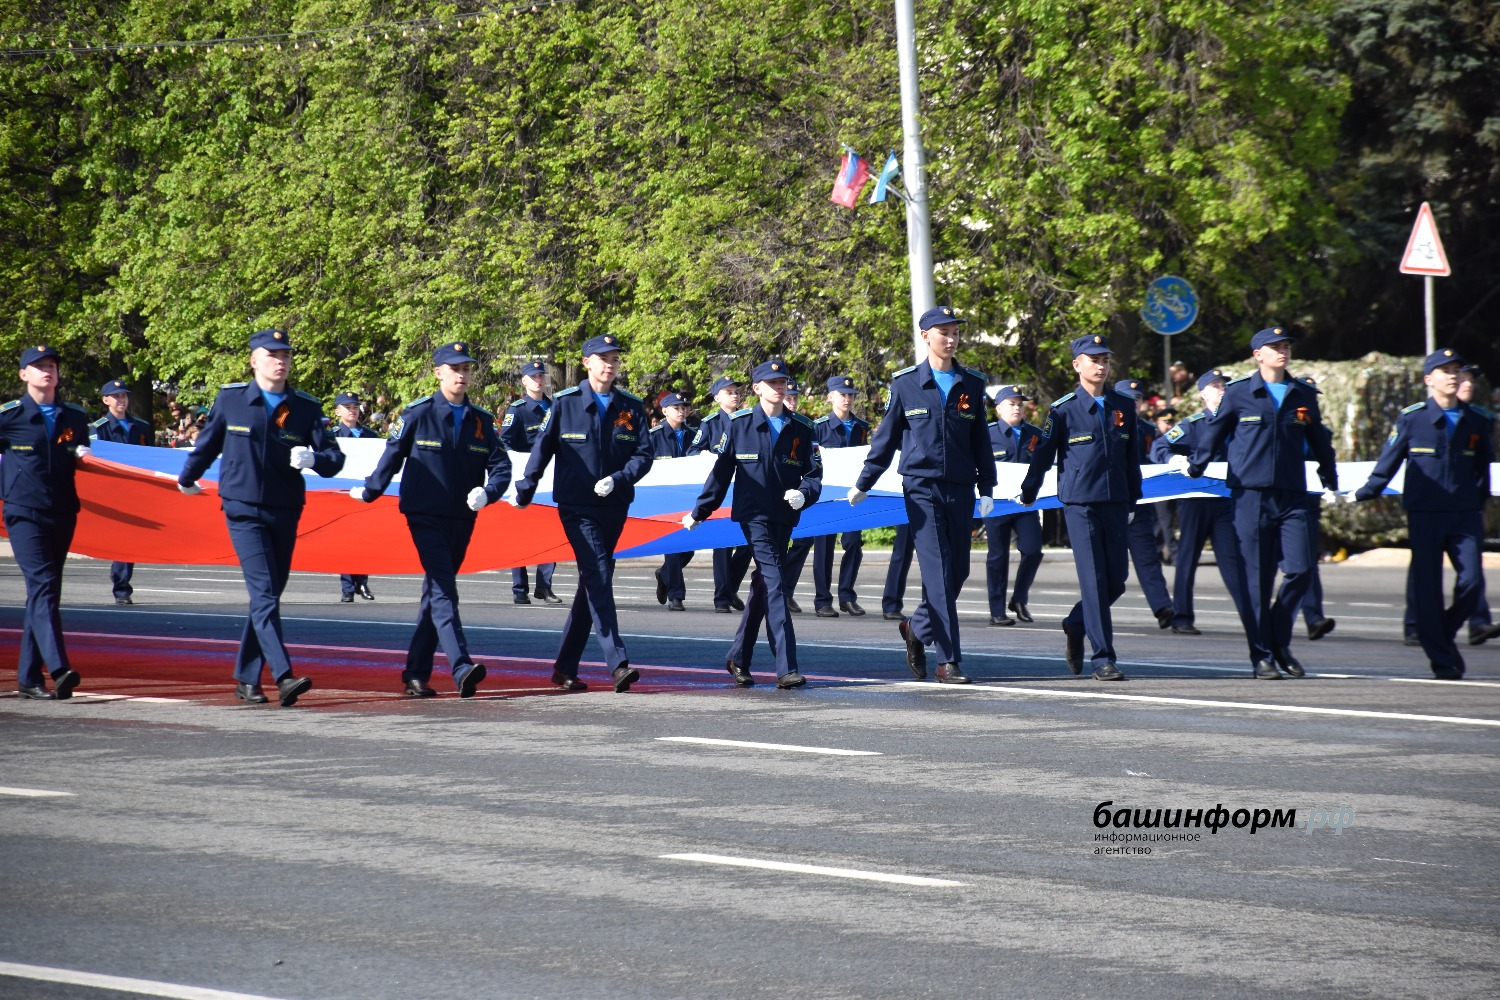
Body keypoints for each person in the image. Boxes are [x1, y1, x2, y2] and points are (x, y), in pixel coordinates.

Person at [178, 329, 345, 705]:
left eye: (285, 354)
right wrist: (187, 478)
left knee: (267, 596)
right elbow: (207, 445)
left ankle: (246, 678)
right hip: (242, 508)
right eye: (271, 354)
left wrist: (314, 459)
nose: (280, 361)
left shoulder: (305, 407)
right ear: (254, 360)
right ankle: (284, 675)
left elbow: (335, 461)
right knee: (265, 594)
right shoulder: (233, 399)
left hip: (285, 509)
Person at [353, 343, 510, 697]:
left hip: (461, 517)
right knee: (444, 589)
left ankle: (415, 672)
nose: (461, 374)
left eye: (467, 368)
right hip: (424, 514)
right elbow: (392, 456)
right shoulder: (417, 414)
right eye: (454, 368)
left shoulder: (481, 420)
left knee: (435, 592)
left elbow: (500, 465)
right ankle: (461, 666)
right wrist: (369, 490)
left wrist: (489, 492)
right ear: (438, 372)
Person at [852, 306, 996, 684]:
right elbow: (884, 440)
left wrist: (988, 488)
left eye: (955, 333)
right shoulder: (905, 384)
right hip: (920, 487)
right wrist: (865, 481)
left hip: (961, 487)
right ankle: (948, 661)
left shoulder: (972, 383)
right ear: (925, 336)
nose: (950, 339)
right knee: (937, 572)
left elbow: (981, 440)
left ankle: (916, 628)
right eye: (942, 332)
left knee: (959, 571)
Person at [1186, 327, 1338, 679]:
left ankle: (1278, 638)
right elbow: (1214, 433)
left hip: (1293, 496)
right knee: (1256, 580)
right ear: (1258, 355)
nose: (1282, 351)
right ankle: (1263, 655)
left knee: (1300, 570)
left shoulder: (1302, 394)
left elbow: (1318, 440)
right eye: (1275, 347)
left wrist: (1330, 477)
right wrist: (1197, 465)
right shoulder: (1240, 393)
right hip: (1249, 497)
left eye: (1286, 346)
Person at [513, 333, 654, 692]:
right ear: (586, 362)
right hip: (577, 506)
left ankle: (564, 667)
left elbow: (644, 454)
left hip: (615, 504)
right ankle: (617, 662)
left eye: (614, 359)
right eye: (602, 358)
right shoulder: (565, 403)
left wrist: (620, 479)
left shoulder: (630, 407)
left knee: (592, 581)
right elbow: (542, 448)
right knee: (599, 572)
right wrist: (527, 485)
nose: (609, 364)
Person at [1352, 349, 1491, 678]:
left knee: (1472, 581)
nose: (1453, 375)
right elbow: (1389, 460)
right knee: (1427, 589)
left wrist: (1477, 502)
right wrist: (1364, 492)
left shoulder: (1477, 419)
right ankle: (1442, 657)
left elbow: (1482, 468)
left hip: (1464, 514)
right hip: (1425, 513)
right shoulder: (1412, 419)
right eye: (1445, 370)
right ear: (1429, 379)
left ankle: (1442, 632)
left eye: (1456, 369)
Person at [686, 359, 822, 688]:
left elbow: (814, 475)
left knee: (763, 585)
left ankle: (738, 656)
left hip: (784, 517)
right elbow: (720, 474)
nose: (779, 387)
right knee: (776, 584)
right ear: (757, 388)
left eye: (783, 382)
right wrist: (700, 511)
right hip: (753, 517)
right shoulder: (739, 424)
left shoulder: (802, 428)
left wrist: (804, 494)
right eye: (771, 383)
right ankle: (786, 666)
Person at [1018, 336, 1141, 681]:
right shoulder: (1064, 409)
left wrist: (1134, 499)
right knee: (1094, 579)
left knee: (1116, 580)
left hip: (1116, 502)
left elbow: (1132, 460)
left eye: (1104, 359)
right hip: (1081, 504)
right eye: (1093, 359)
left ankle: (1075, 623)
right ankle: (1103, 657)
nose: (1100, 366)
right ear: (1077, 365)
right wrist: (1029, 490)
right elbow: (1042, 456)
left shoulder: (1124, 406)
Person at [2, 345, 90, 700]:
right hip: (24, 512)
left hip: (62, 512)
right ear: (23, 375)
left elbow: (82, 456)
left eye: (51, 365)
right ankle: (58, 668)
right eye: (38, 366)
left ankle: (28, 677)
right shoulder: (9, 417)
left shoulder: (75, 417)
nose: (46, 371)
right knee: (42, 585)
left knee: (45, 592)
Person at [1153, 370, 1260, 646]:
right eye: (1215, 386)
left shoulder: (1239, 421)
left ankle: (1252, 618)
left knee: (1231, 561)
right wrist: (1175, 462)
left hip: (1226, 502)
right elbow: (1159, 446)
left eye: (1224, 385)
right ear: (1203, 393)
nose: (1222, 390)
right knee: (1187, 558)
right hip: (1196, 500)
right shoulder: (1194, 424)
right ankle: (1182, 617)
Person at [788, 375, 872, 618]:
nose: (847, 399)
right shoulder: (818, 427)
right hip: (826, 493)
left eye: (851, 395)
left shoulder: (861, 427)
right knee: (824, 547)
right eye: (842, 395)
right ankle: (822, 599)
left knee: (854, 543)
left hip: (852, 494)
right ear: (830, 397)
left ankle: (847, 596)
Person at [1113, 379, 1174, 629]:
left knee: (1147, 557)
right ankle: (1090, 613)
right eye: (1129, 398)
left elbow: (1158, 458)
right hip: (1111, 503)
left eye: (1137, 398)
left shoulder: (1149, 431)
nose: (1134, 403)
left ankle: (1162, 607)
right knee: (1110, 566)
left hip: (1139, 503)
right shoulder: (1108, 425)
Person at [501, 361, 562, 606]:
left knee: (550, 533)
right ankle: (520, 589)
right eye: (533, 377)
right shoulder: (517, 410)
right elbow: (505, 443)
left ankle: (544, 587)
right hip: (524, 480)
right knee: (520, 535)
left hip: (550, 479)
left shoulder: (556, 406)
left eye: (541, 376)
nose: (538, 380)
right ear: (524, 382)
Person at [984, 385, 1044, 626]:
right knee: (998, 556)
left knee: (1032, 550)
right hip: (997, 503)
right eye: (1011, 403)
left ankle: (1019, 598)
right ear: (999, 409)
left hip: (1025, 502)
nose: (1017, 407)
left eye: (1020, 403)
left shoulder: (1035, 435)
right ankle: (997, 610)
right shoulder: (987, 435)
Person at [90, 378, 153, 605]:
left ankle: (123, 588)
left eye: (124, 396)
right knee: (120, 541)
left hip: (136, 491)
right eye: (116, 397)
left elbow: (150, 459)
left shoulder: (141, 427)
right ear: (106, 400)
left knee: (129, 542)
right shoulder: (98, 429)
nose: (121, 400)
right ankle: (121, 588)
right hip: (112, 492)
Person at [691, 375, 751, 613]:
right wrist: (707, 457)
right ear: (717, 398)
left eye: (736, 391)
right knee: (723, 546)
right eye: (728, 392)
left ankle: (730, 588)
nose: (735, 395)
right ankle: (722, 599)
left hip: (744, 489)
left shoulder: (746, 421)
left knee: (748, 544)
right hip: (721, 491)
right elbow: (693, 450)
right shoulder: (711, 423)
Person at [648, 391, 694, 611]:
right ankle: (676, 596)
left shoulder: (694, 435)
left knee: (690, 549)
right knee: (674, 547)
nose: (682, 411)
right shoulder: (653, 436)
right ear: (664, 411)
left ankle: (664, 573)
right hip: (665, 500)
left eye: (684, 407)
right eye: (677, 408)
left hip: (689, 499)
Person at [331, 390, 378, 603]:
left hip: (364, 492)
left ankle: (362, 582)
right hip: (342, 493)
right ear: (337, 411)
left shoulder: (371, 436)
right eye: (348, 407)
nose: (352, 410)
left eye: (355, 407)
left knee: (365, 541)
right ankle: (348, 587)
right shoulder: (332, 436)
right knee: (344, 541)